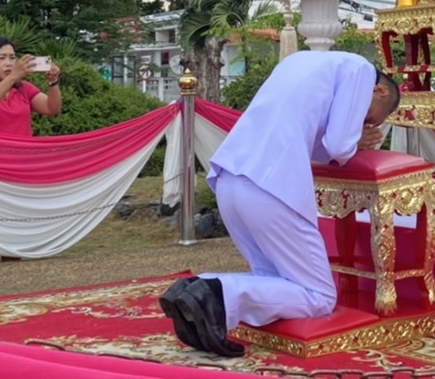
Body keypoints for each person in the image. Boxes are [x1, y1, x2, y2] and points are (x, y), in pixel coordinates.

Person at [159, 51, 400, 357]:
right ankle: (214, 294)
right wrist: (356, 143)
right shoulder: (361, 70)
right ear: (380, 91)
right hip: (270, 188)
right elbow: (339, 145)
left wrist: (341, 143)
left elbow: (307, 137)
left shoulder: (299, 61)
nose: (365, 125)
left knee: (272, 280)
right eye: (369, 119)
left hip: (230, 179)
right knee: (320, 296)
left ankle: (192, 291)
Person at [0, 36, 63, 263]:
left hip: (19, 172)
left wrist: (53, 82)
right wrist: (13, 78)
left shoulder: (24, 89)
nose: (9, 63)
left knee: (14, 240)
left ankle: (10, 292)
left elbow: (51, 108)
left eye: (12, 57)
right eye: (2, 58)